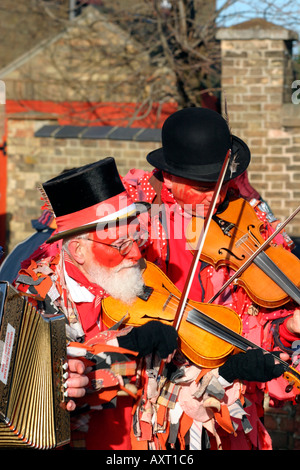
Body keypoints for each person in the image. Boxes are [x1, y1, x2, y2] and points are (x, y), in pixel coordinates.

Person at [12, 156, 284, 451]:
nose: (136, 256)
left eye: (136, 241)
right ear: (78, 250)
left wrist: (227, 374)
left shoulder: (136, 289)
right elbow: (36, 400)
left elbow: (174, 398)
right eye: (120, 246)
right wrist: (122, 347)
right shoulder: (32, 300)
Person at [122, 107, 300, 450]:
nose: (217, 197)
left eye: (220, 183)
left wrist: (289, 329)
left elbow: (264, 335)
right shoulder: (135, 214)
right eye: (204, 186)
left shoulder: (245, 215)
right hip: (160, 417)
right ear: (168, 177)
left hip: (234, 415)